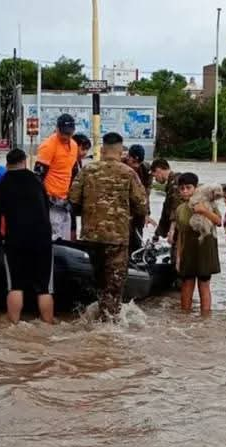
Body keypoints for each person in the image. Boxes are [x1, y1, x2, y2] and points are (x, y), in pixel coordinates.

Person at [69, 132, 147, 321]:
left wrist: (89, 215)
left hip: (91, 237)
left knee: (99, 282)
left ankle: (95, 322)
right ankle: (109, 330)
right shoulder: (129, 173)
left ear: (102, 150)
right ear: (121, 151)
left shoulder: (87, 170)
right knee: (114, 286)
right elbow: (141, 205)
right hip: (118, 239)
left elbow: (73, 200)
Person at [0, 149, 54, 324]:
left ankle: (14, 326)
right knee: (44, 288)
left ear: (7, 163)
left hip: (16, 239)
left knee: (15, 285)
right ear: (25, 161)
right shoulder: (38, 181)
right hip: (42, 239)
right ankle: (48, 325)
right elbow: (46, 210)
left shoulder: (1, 185)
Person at [175, 173, 222, 314]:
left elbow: (219, 222)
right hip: (188, 249)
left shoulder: (208, 203)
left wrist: (203, 211)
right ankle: (184, 317)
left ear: (196, 188)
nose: (185, 191)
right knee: (187, 283)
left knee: (204, 284)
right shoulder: (180, 209)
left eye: (188, 188)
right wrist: (178, 256)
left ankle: (205, 319)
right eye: (181, 189)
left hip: (205, 248)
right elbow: (180, 235)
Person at [35, 114, 79, 240]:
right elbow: (38, 177)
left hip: (65, 201)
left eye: (69, 134)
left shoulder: (74, 146)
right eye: (63, 133)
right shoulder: (48, 146)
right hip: (50, 201)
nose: (66, 137)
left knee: (65, 240)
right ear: (57, 129)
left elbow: (73, 172)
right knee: (53, 239)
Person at [124, 144, 154, 253]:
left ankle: (135, 254)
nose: (136, 166)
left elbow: (146, 192)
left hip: (138, 206)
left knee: (137, 234)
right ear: (128, 157)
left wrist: (146, 213)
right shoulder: (119, 165)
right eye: (133, 162)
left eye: (138, 163)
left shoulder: (146, 169)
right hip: (122, 206)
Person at [149, 159, 183, 245]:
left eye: (154, 176)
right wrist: (158, 233)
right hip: (178, 228)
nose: (155, 180)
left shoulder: (175, 183)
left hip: (179, 229)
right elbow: (166, 211)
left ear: (158, 170)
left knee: (177, 256)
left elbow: (175, 209)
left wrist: (172, 229)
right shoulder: (171, 184)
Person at [70, 133, 92, 240]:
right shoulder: (69, 161)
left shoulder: (77, 161)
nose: (85, 153)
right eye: (83, 149)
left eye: (87, 150)